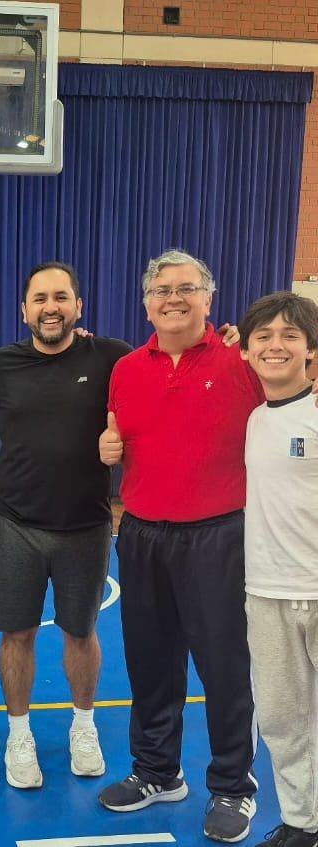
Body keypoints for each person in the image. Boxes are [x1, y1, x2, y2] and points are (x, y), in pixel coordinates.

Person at [98, 250, 266, 844]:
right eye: (162, 290)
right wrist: (108, 447)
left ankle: (233, 785)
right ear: (146, 304)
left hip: (219, 536)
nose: (173, 298)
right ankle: (156, 772)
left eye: (186, 288)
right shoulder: (126, 369)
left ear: (208, 299)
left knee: (225, 667)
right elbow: (118, 432)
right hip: (142, 533)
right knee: (150, 663)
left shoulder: (242, 361)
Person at [0, 262, 132, 789]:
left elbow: (164, 379)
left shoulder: (112, 357)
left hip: (86, 524)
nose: (50, 307)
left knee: (81, 632)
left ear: (78, 306)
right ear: (24, 310)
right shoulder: (0, 364)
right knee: (16, 635)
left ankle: (84, 726)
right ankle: (19, 735)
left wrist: (226, 344)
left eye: (61, 297)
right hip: (18, 523)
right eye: (40, 298)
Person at [238, 292, 318, 847]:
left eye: (290, 335)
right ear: (245, 351)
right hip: (266, 591)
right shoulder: (254, 419)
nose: (275, 345)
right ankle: (302, 822)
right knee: (282, 720)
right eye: (263, 336)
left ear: (310, 349)